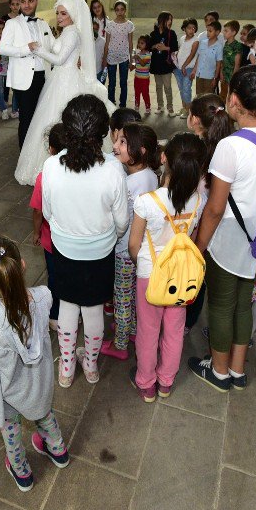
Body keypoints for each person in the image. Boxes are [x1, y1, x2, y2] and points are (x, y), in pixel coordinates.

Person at [188, 65, 256, 392]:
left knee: (220, 305)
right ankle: (237, 369)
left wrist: (198, 247)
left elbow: (215, 209)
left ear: (233, 99)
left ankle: (218, 372)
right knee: (243, 304)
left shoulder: (231, 146)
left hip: (232, 238)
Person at [42, 95, 129, 387]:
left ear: (67, 130)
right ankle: (90, 365)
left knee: (67, 306)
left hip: (64, 250)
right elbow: (121, 221)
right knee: (93, 309)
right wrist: (106, 237)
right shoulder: (113, 169)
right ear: (104, 133)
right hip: (100, 253)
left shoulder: (52, 166)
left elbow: (47, 212)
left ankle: (66, 368)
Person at [0, 237, 69, 492]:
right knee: (44, 411)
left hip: (8, 383)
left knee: (11, 427)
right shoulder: (45, 296)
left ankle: (22, 472)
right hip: (38, 376)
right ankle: (58, 450)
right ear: (23, 265)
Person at [128, 132, 207, 401]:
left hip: (150, 276)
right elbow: (192, 240)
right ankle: (165, 382)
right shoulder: (198, 201)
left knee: (148, 332)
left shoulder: (147, 202)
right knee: (174, 332)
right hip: (181, 277)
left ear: (164, 158)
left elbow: (133, 245)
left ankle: (146, 382)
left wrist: (144, 266)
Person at [13, 0, 115, 186]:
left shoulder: (72, 33)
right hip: (60, 78)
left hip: (66, 78)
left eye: (63, 13)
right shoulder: (67, 31)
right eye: (58, 13)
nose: (59, 17)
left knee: (59, 119)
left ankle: (64, 162)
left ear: (72, 15)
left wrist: (37, 50)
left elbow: (59, 59)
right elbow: (56, 47)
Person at [101, 122, 159, 361]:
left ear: (141, 150)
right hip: (141, 249)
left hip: (125, 251)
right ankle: (132, 330)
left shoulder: (130, 183)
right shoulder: (150, 176)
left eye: (123, 142)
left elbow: (120, 220)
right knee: (133, 295)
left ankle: (121, 343)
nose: (116, 145)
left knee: (122, 298)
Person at [183, 93, 232, 333]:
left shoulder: (195, 152)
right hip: (219, 225)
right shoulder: (227, 147)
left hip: (196, 224)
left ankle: (185, 319)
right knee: (201, 276)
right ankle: (191, 319)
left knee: (191, 272)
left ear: (194, 120)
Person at [0, 0, 55, 148]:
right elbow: (2, 48)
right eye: (23, 2)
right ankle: (24, 156)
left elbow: (54, 46)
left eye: (30, 1)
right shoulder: (12, 24)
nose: (26, 5)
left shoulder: (43, 24)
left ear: (36, 1)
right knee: (26, 118)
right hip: (24, 80)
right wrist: (26, 48)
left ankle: (37, 152)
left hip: (43, 77)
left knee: (42, 117)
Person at [30, 123, 67, 326]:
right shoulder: (79, 171)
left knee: (54, 277)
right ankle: (75, 312)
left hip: (51, 238)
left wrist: (36, 233)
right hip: (73, 237)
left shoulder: (44, 176)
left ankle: (55, 315)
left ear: (51, 149)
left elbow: (38, 210)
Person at [101, 0, 134, 108]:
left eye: (122, 10)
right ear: (115, 11)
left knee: (123, 82)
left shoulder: (129, 25)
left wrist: (131, 59)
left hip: (124, 57)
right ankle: (111, 103)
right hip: (111, 56)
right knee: (112, 83)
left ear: (125, 11)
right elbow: (107, 42)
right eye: (117, 10)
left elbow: (130, 42)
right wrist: (104, 59)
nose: (120, 12)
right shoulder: (110, 25)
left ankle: (123, 104)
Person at [148, 12, 178, 115]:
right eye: (168, 19)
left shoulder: (171, 33)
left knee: (168, 87)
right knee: (158, 86)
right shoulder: (154, 33)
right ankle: (160, 106)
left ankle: (170, 107)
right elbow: (148, 46)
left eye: (171, 20)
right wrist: (154, 46)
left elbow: (175, 47)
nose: (170, 21)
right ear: (162, 20)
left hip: (166, 64)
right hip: (156, 63)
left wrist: (165, 48)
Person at [173, 18, 199, 118]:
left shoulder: (195, 40)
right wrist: (175, 62)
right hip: (178, 68)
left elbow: (192, 55)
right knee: (181, 89)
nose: (191, 30)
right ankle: (184, 107)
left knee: (186, 89)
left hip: (188, 68)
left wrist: (184, 66)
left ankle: (188, 111)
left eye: (193, 28)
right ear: (184, 28)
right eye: (189, 28)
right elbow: (180, 51)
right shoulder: (182, 38)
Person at [194, 20, 223, 97]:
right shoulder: (203, 42)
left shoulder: (219, 46)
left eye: (210, 31)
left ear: (217, 32)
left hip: (209, 77)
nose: (208, 33)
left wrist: (215, 78)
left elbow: (218, 63)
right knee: (199, 96)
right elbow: (198, 57)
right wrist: (194, 71)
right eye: (207, 30)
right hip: (199, 75)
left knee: (208, 97)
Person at [221, 20, 243, 98]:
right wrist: (221, 73)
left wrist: (233, 79)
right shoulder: (225, 44)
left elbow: (237, 64)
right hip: (224, 75)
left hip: (231, 76)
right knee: (223, 95)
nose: (223, 32)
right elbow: (223, 61)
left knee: (230, 97)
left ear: (233, 33)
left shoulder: (237, 46)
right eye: (224, 30)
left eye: (226, 31)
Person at [132, 36, 153, 114]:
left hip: (144, 79)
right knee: (137, 92)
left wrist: (137, 58)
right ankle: (136, 106)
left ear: (147, 45)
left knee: (145, 93)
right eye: (139, 43)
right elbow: (136, 65)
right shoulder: (138, 53)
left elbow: (143, 64)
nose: (139, 44)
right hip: (137, 78)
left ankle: (148, 107)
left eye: (142, 43)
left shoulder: (148, 55)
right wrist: (131, 65)